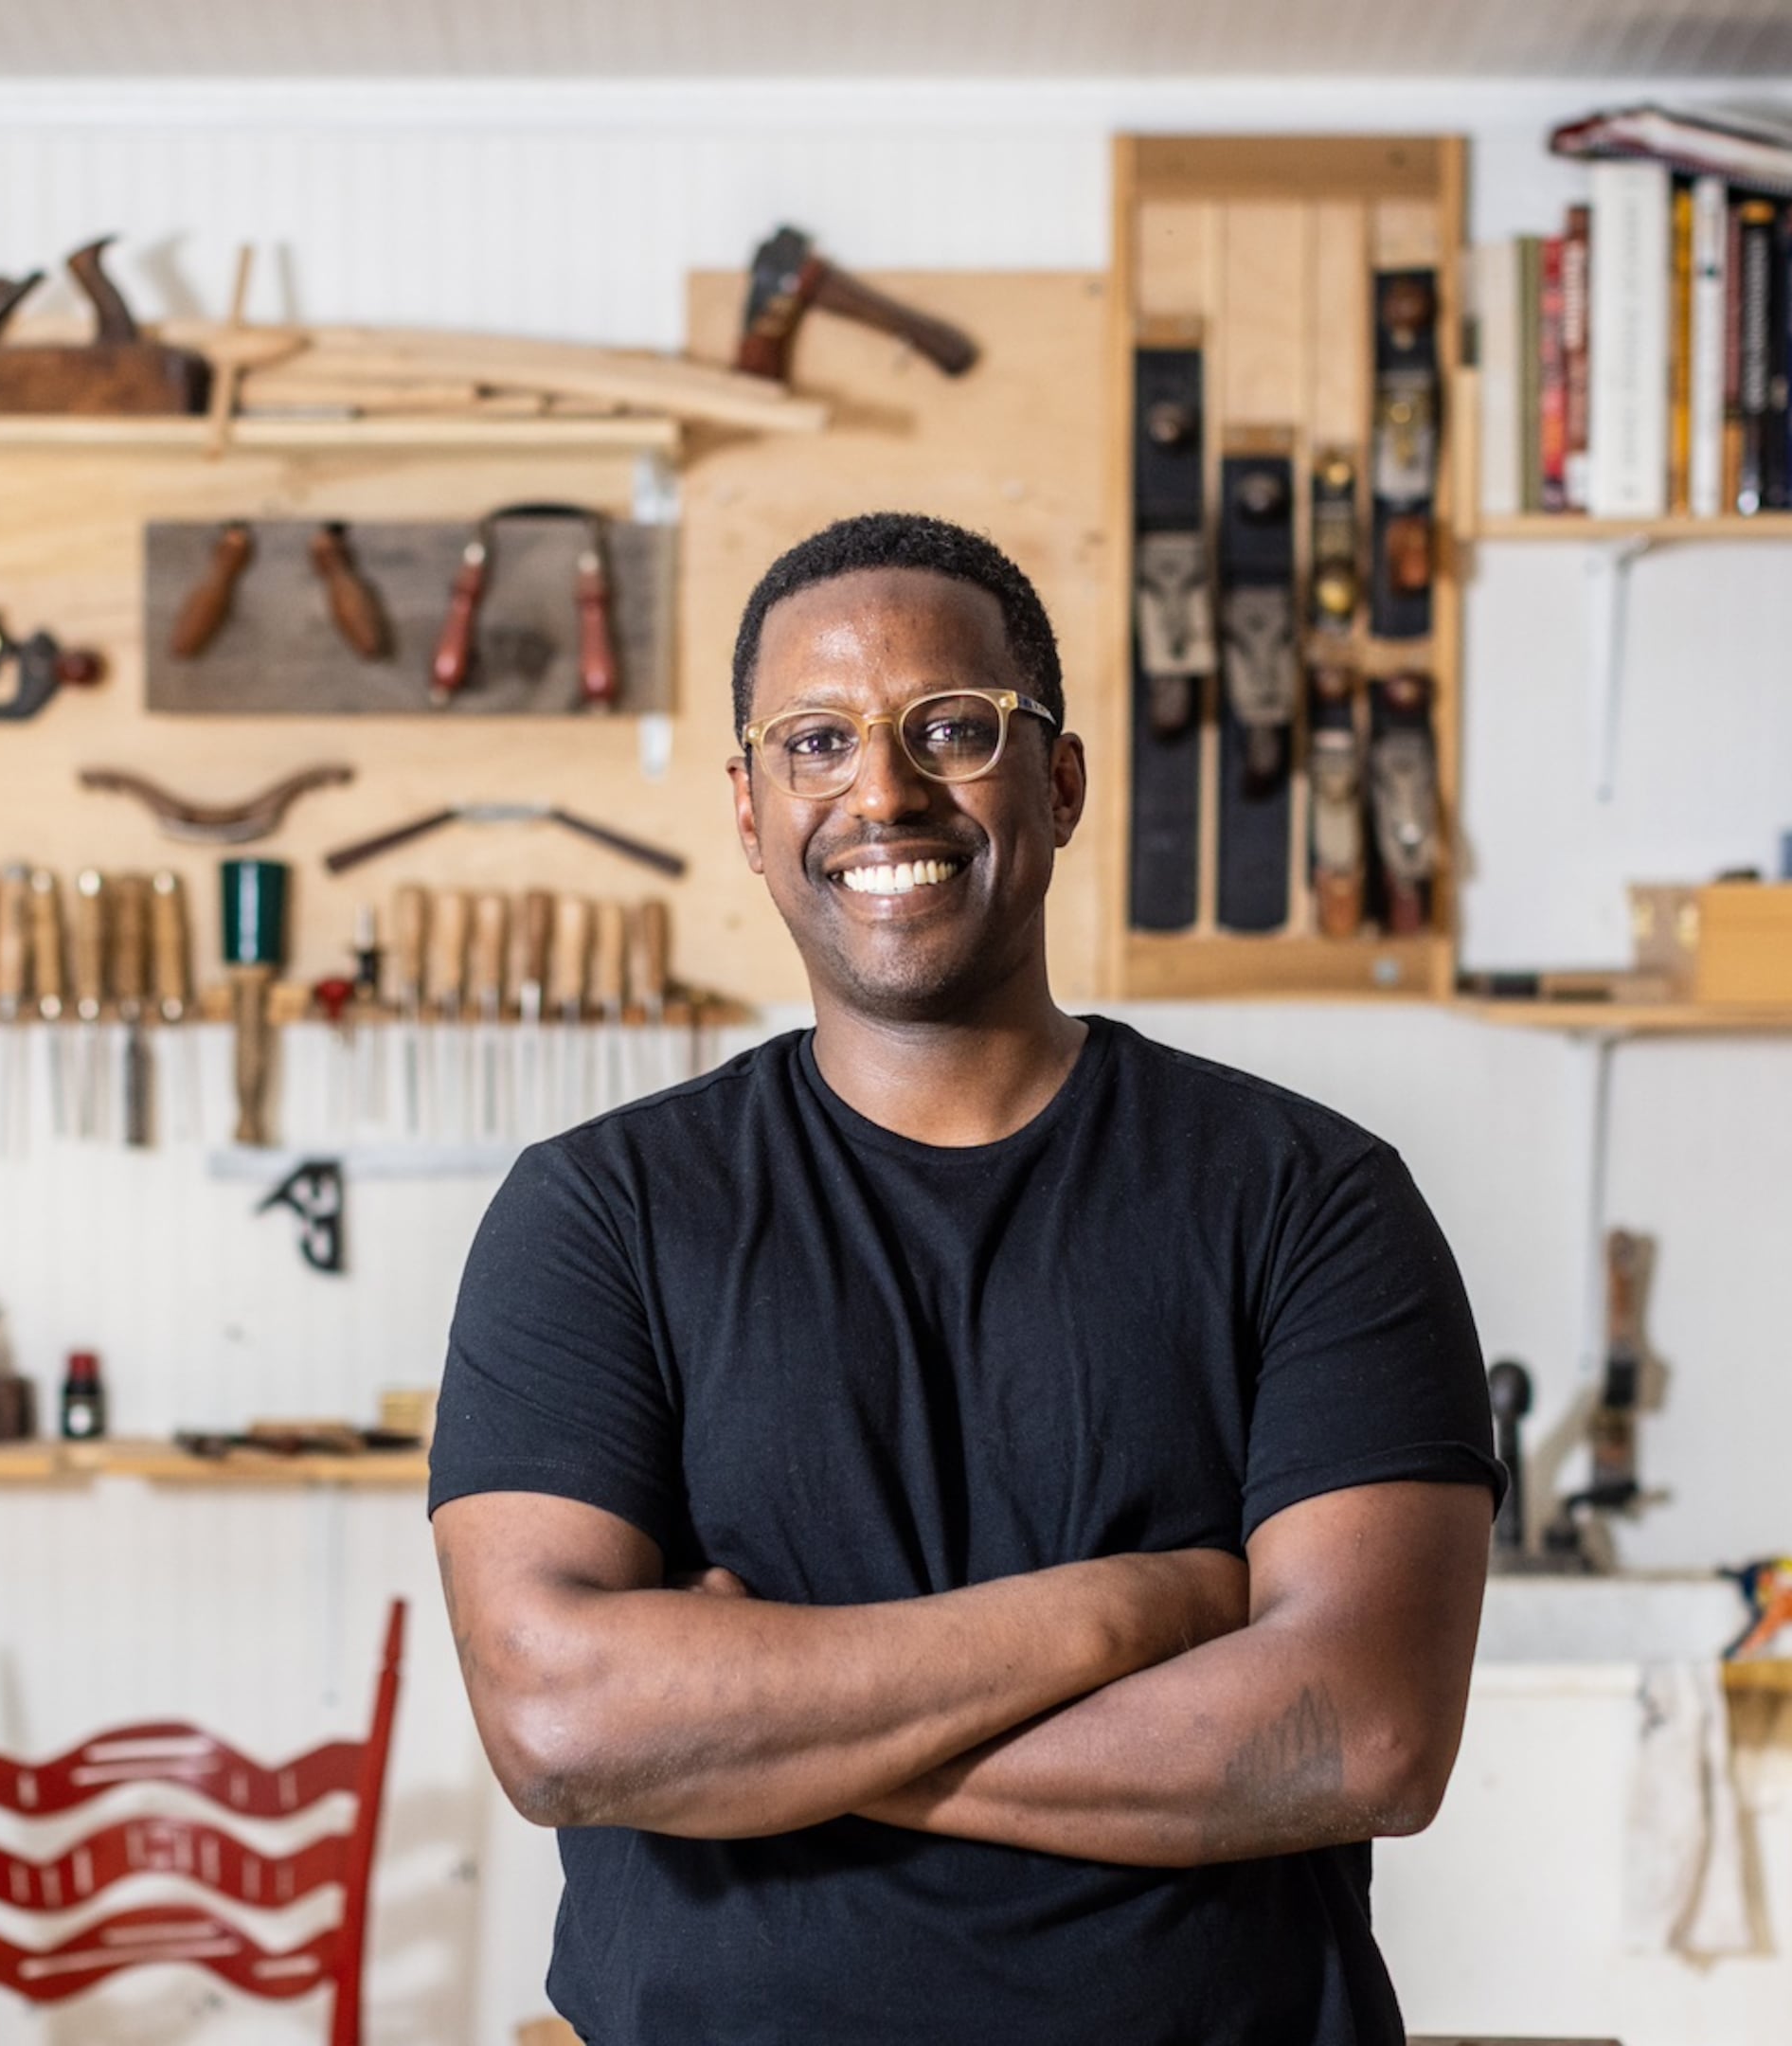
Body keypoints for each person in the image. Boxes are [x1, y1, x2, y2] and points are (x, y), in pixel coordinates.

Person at [428, 511, 1500, 2044]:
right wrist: (1130, 1615)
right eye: (816, 741)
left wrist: (760, 1738)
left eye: (952, 728)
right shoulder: (600, 1215)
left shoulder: (1311, 1202)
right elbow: (561, 1722)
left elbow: (1364, 1737)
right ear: (747, 809)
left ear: (1058, 782)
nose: (881, 790)